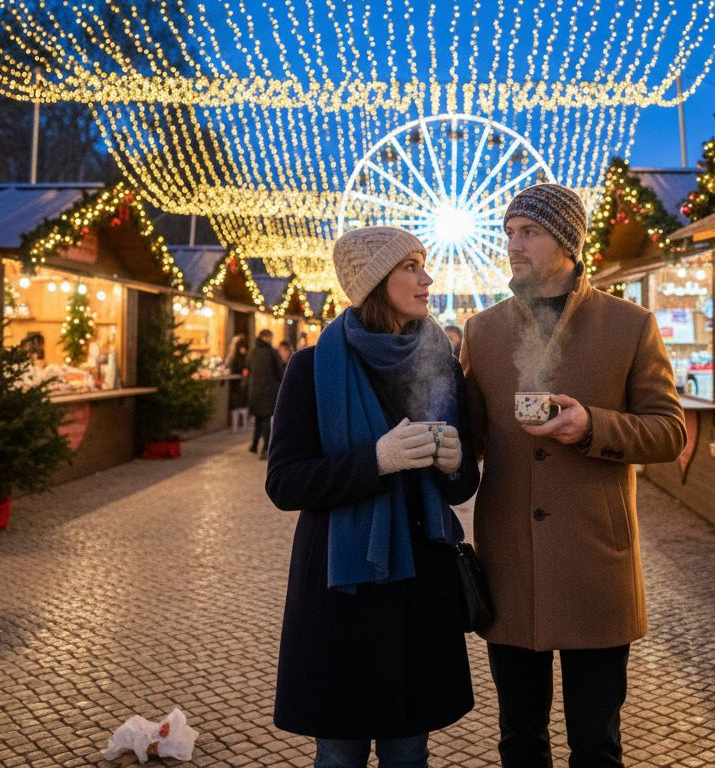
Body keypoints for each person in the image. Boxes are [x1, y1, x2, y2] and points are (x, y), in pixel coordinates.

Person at [460, 184, 687, 766]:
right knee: (519, 740)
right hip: (510, 562)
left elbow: (669, 432)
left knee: (597, 742)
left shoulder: (629, 324)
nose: (513, 244)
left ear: (566, 241)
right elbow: (472, 442)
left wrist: (591, 427)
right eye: (508, 232)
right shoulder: (482, 332)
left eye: (528, 232)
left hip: (595, 562)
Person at [265, 226, 480, 768]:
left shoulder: (441, 364)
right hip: (343, 590)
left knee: (410, 752)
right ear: (373, 282)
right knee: (339, 754)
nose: (426, 278)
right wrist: (375, 461)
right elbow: (285, 481)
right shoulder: (311, 369)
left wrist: (457, 465)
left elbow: (461, 484)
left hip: (419, 589)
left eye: (423, 263)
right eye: (410, 266)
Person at [246, 329, 285, 458]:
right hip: (268, 390)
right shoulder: (271, 352)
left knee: (258, 418)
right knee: (266, 419)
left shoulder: (253, 351)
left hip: (255, 390)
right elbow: (279, 371)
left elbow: (247, 367)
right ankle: (265, 449)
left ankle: (254, 445)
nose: (271, 339)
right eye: (270, 337)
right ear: (265, 337)